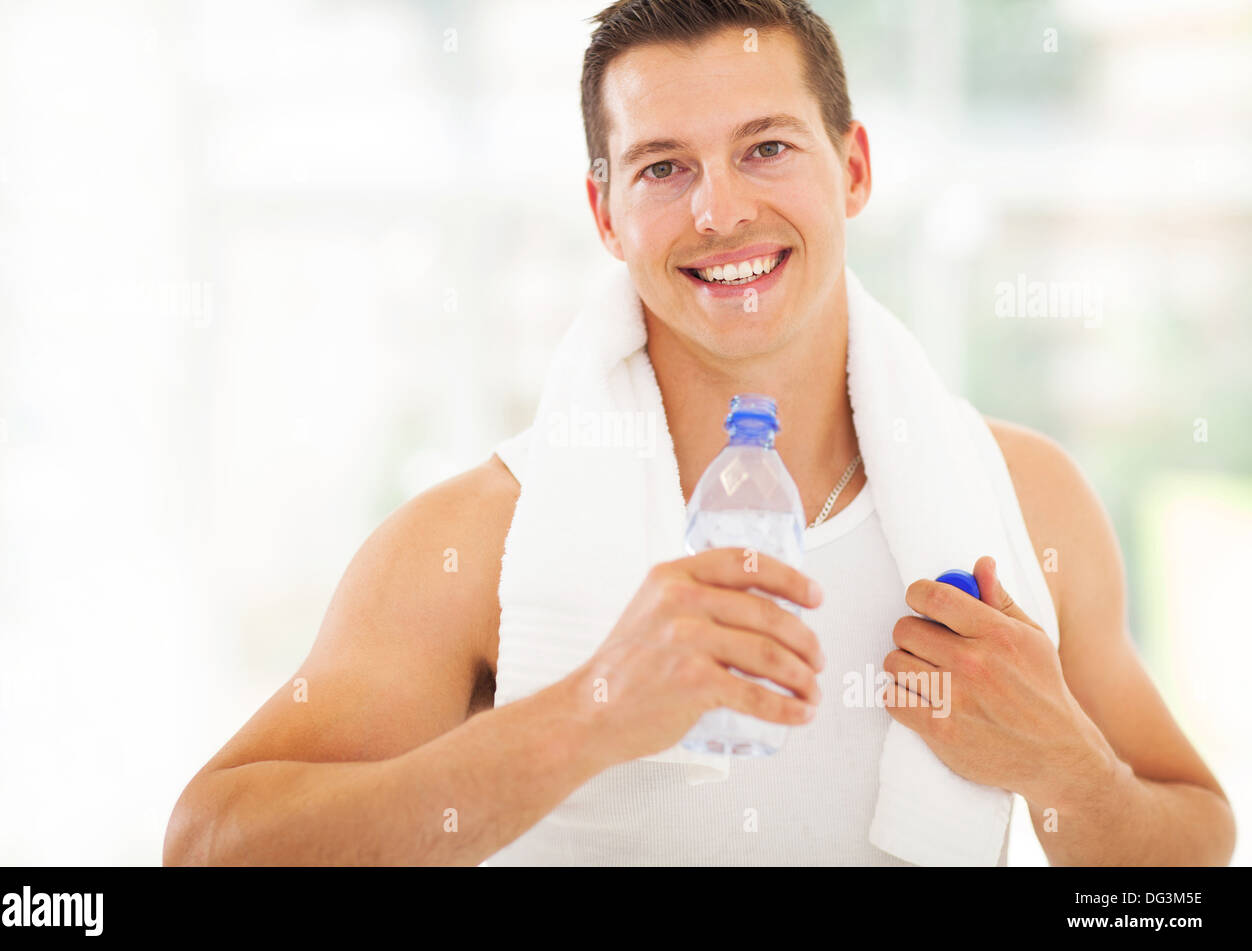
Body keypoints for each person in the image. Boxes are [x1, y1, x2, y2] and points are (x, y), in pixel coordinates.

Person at [163, 0, 1234, 866]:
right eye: (663, 167)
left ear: (852, 167)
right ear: (605, 214)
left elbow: (1188, 859)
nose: (719, 212)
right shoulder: (480, 538)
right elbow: (210, 844)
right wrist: (585, 713)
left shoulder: (1021, 503)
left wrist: (1068, 775)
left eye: (765, 148)